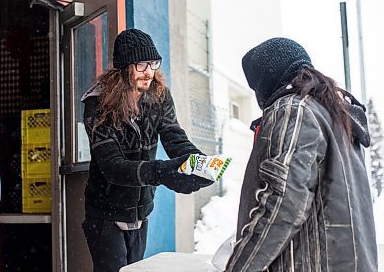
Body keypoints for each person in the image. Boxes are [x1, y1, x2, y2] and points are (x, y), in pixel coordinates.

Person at [225, 38, 378, 271]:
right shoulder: (335, 115)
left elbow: (284, 202)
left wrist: (240, 267)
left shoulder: (293, 110)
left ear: (266, 82)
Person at [81, 28, 212, 272]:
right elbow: (113, 167)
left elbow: (175, 138)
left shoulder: (159, 96)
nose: (149, 71)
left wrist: (198, 164)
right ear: (124, 67)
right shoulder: (98, 104)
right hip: (105, 213)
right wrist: (163, 172)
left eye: (153, 63)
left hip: (141, 211)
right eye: (141, 64)